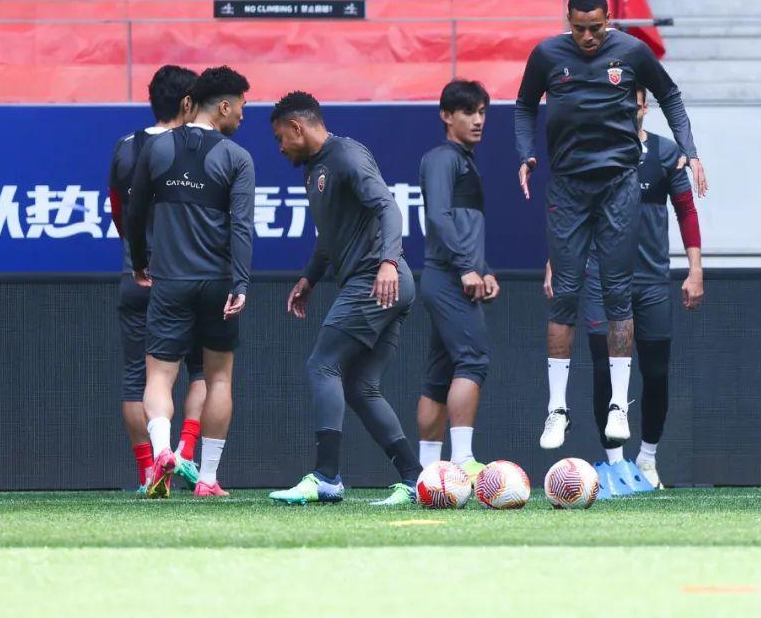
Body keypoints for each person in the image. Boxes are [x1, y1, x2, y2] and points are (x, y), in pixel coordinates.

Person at [515, 0, 705, 450]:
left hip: (619, 184)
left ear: (609, 20)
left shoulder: (632, 51)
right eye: (579, 28)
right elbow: (524, 106)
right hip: (568, 186)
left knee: (618, 293)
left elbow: (670, 95)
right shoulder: (546, 55)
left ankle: (620, 404)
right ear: (568, 21)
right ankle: (557, 409)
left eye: (596, 28)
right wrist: (526, 153)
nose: (588, 37)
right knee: (565, 295)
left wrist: (690, 150)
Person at [268, 91, 423, 507]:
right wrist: (310, 277)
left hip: (377, 279)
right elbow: (330, 237)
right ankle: (416, 480)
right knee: (361, 387)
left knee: (322, 365)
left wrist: (387, 261)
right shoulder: (314, 170)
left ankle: (326, 477)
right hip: (385, 282)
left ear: (297, 127)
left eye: (281, 138)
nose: (280, 147)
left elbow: (389, 208)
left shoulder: (348, 157)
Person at [546, 91, 703, 495]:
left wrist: (695, 269)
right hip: (602, 278)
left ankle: (647, 460)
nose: (627, 110)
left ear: (644, 108)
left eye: (634, 103)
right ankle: (615, 465)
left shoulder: (666, 154)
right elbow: (574, 213)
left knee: (656, 373)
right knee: (604, 369)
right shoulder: (594, 154)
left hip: (651, 281)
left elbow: (686, 211)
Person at [126, 65, 255, 499]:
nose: (243, 116)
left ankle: (163, 451)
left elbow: (135, 214)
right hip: (218, 282)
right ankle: (208, 478)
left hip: (169, 280)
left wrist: (140, 263)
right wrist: (241, 282)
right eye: (241, 107)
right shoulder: (237, 158)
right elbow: (242, 227)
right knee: (218, 380)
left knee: (159, 378)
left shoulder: (156, 148)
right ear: (224, 107)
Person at [107, 65, 207, 494]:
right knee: (202, 371)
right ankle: (184, 453)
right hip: (186, 277)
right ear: (187, 103)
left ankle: (149, 471)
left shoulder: (125, 147)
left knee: (137, 379)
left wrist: (137, 256)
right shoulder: (196, 148)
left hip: (136, 276)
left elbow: (119, 213)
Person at [415, 80, 500, 481]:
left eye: (482, 112)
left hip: (457, 276)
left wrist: (484, 270)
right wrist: (467, 268)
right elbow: (438, 217)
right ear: (446, 116)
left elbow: (464, 228)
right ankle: (463, 460)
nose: (478, 120)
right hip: (449, 279)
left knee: (438, 378)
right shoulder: (442, 159)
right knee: (473, 360)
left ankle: (427, 472)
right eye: (468, 112)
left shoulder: (464, 160)